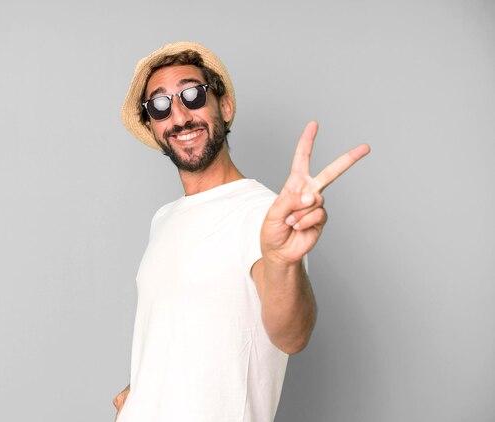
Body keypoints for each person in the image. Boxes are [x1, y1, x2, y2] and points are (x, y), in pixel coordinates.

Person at [113, 41, 370, 422]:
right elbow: (182, 342)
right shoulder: (164, 218)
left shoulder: (261, 213)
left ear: (224, 106)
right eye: (161, 105)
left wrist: (282, 261)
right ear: (153, 126)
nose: (180, 116)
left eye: (192, 94)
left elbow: (291, 335)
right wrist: (138, 396)